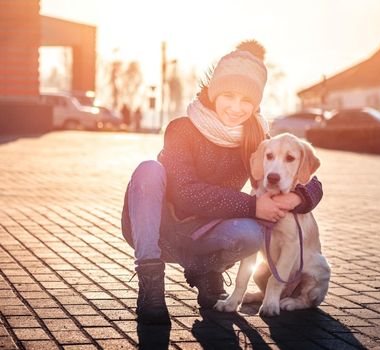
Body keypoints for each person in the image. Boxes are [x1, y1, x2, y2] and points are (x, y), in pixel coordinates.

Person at [121, 40, 323, 325]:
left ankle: (207, 273)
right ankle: (151, 287)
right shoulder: (181, 128)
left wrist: (297, 198)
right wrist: (253, 205)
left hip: (207, 232)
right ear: (214, 92)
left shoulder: (255, 140)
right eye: (229, 95)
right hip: (160, 229)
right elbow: (185, 193)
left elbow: (312, 180)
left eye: (246, 101)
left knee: (252, 233)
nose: (236, 108)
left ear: (255, 104)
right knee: (149, 170)